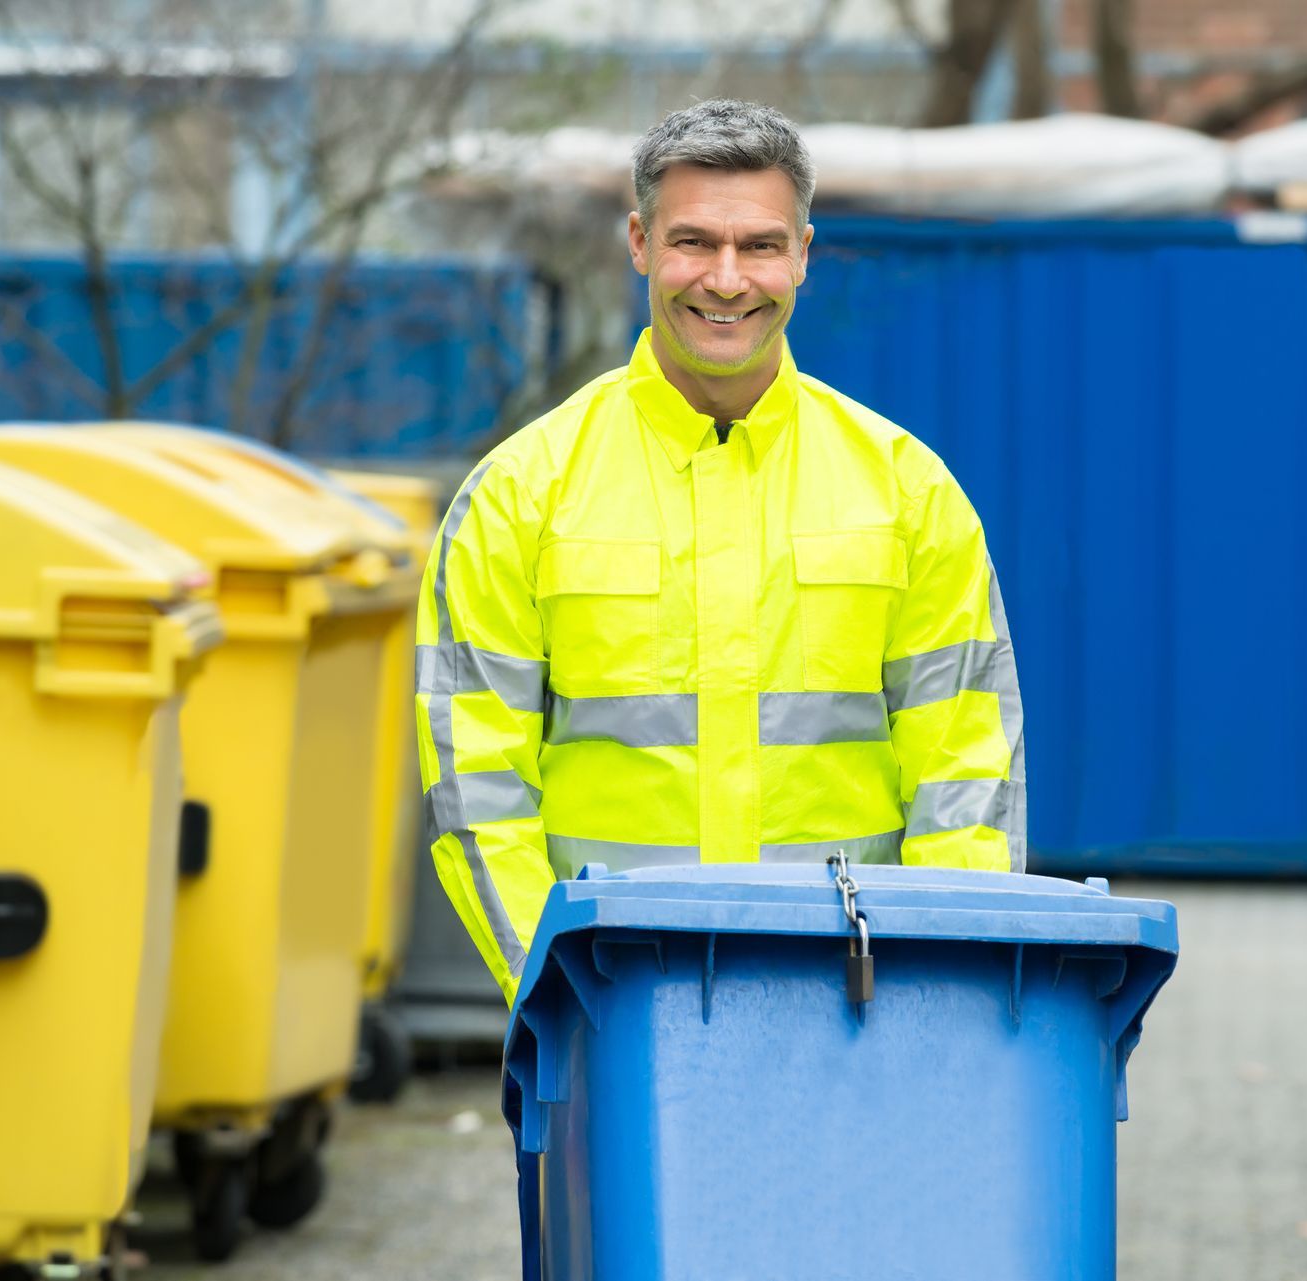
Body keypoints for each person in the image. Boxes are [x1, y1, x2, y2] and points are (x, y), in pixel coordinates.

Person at [415, 99, 1025, 1003]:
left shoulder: (908, 491)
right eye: (694, 241)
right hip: (613, 1005)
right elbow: (479, 787)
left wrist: (949, 1000)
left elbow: (967, 778)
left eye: (761, 245)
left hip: (853, 1012)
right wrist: (553, 994)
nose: (728, 279)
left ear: (805, 255)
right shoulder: (518, 494)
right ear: (639, 242)